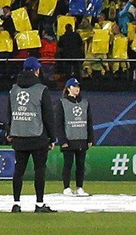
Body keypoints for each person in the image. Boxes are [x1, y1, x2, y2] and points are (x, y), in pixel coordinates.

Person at [6, 58, 62, 213]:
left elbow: (10, 112)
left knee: (19, 171)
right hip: (38, 137)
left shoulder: (14, 89)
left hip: (19, 135)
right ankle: (39, 204)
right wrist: (52, 138)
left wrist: (11, 130)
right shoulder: (41, 89)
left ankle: (16, 203)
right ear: (37, 70)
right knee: (39, 170)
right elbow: (48, 116)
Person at [57, 78, 93, 198]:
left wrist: (90, 138)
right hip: (69, 138)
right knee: (68, 164)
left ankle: (79, 187)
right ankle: (66, 187)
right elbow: (59, 123)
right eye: (74, 86)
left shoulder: (85, 103)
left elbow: (89, 121)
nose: (77, 88)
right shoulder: (62, 103)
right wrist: (62, 140)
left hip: (81, 138)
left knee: (80, 164)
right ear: (68, 88)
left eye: (78, 86)